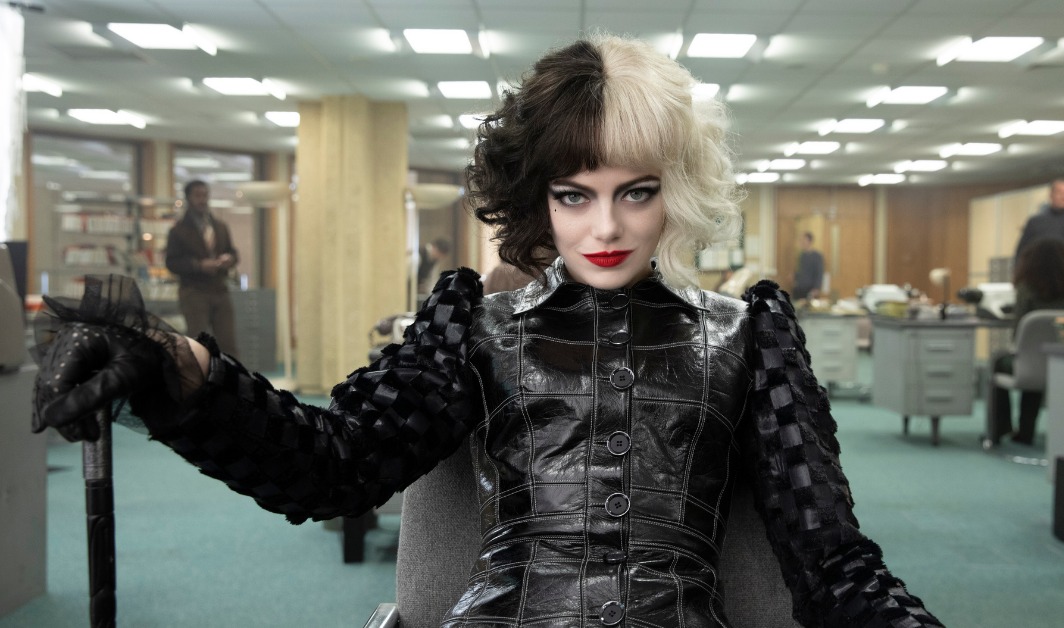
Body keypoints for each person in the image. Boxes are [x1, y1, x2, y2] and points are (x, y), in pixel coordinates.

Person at [31, 34, 941, 627]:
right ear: (540, 197)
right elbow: (334, 464)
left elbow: (832, 563)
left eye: (636, 191)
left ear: (679, 190)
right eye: (574, 194)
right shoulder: (477, 325)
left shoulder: (750, 333)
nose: (606, 226)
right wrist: (177, 365)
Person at [988, 239, 1064, 445]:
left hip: (1032, 366)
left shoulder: (1026, 291)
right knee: (1035, 363)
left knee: (1001, 360)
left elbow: (1018, 336)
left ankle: (1002, 428)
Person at [164, 180, 239, 357]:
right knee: (198, 344)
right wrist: (199, 265)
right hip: (194, 292)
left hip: (220, 290)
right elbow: (172, 263)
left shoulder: (220, 227)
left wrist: (229, 259)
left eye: (205, 195)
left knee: (228, 343)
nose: (202, 200)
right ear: (188, 198)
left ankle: (230, 374)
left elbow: (233, 253)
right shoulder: (178, 231)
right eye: (197, 196)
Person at [1013, 179, 1064, 285]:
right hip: (1041, 283)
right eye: (1060, 192)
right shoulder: (1036, 223)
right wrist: (1018, 280)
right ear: (1051, 195)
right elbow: (1022, 254)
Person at [792, 231, 825, 300]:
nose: (802, 242)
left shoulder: (817, 256)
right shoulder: (802, 255)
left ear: (810, 241)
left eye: (804, 240)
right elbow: (802, 271)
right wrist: (794, 276)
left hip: (810, 289)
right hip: (799, 288)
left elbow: (819, 273)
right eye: (801, 240)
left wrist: (816, 288)